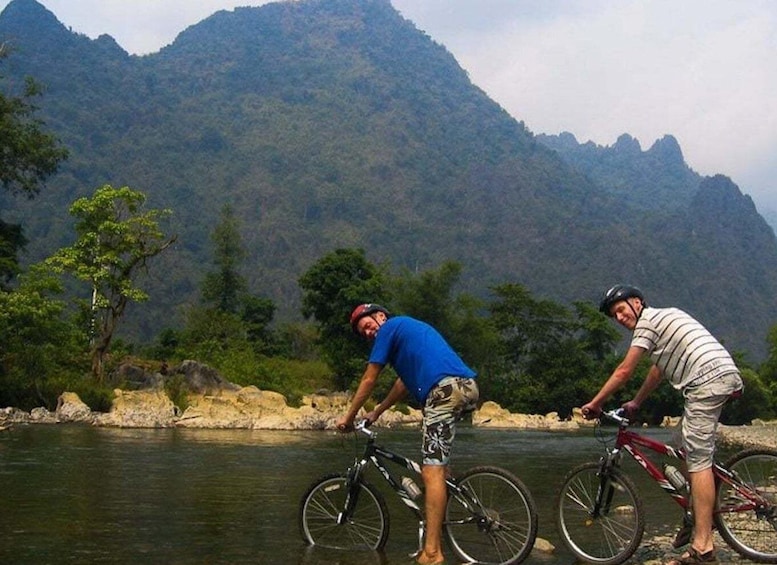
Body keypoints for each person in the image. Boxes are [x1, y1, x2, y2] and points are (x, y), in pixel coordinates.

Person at [582, 285, 743, 565]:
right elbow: (658, 370)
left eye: (621, 309)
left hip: (707, 382)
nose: (619, 317)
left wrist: (595, 403)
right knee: (681, 445)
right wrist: (636, 402)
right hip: (717, 377)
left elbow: (624, 370)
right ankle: (697, 512)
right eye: (614, 315)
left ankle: (703, 548)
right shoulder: (663, 320)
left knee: (698, 460)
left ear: (637, 303)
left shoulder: (648, 323)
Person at [337, 303, 479, 565]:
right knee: (439, 468)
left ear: (380, 316)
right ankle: (441, 511)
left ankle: (433, 553)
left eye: (367, 326)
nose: (368, 333)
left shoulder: (389, 327)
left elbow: (369, 379)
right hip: (464, 388)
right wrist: (376, 412)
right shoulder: (405, 333)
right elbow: (402, 384)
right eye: (363, 332)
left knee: (430, 471)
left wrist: (349, 417)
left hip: (443, 392)